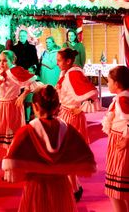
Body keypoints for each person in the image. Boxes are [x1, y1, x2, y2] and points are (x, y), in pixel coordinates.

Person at [2, 85, 96, 212]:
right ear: (58, 106)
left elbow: (12, 166)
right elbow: (86, 159)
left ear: (35, 106)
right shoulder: (68, 130)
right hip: (61, 188)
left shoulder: (26, 132)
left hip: (35, 188)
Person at [56, 47, 100, 201]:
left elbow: (91, 93)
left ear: (68, 61)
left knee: (68, 155)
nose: (57, 63)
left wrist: (80, 108)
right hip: (66, 114)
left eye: (59, 61)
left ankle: (74, 189)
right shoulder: (67, 73)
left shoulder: (74, 73)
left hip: (72, 117)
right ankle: (74, 187)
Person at [0, 50, 41, 148]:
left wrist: (23, 96)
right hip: (1, 105)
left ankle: (14, 150)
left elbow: (30, 83)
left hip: (12, 104)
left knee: (12, 129)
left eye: (5, 61)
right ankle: (8, 150)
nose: (1, 63)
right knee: (4, 129)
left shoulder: (15, 71)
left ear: (12, 61)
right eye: (0, 60)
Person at [102, 66, 129, 212]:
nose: (108, 84)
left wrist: (126, 139)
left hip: (121, 144)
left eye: (110, 81)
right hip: (117, 141)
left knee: (116, 191)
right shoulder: (122, 97)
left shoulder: (123, 99)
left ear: (117, 84)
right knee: (119, 191)